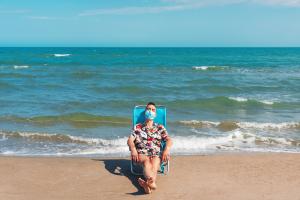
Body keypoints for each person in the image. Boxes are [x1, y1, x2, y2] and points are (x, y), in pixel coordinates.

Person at [127, 102, 172, 194]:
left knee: (155, 165)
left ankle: (148, 186)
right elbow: (130, 140)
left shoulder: (160, 127)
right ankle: (152, 184)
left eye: (153, 110)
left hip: (156, 153)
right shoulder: (138, 127)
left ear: (155, 114)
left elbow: (169, 140)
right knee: (147, 163)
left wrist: (166, 150)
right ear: (145, 112)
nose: (150, 111)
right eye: (148, 109)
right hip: (142, 153)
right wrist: (133, 150)